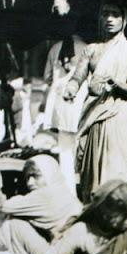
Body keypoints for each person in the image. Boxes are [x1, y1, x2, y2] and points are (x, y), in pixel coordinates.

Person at [64, 2, 127, 203]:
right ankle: (94, 210)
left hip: (119, 115)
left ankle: (116, 210)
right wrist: (71, 88)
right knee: (92, 173)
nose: (109, 19)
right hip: (95, 114)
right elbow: (78, 77)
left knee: (116, 169)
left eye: (115, 14)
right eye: (105, 14)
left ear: (124, 19)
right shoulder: (92, 50)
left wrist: (114, 83)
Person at [0, 155, 83, 254]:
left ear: (49, 175)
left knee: (11, 223)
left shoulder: (47, 194)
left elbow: (6, 206)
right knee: (25, 216)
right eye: (28, 177)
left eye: (35, 176)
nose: (30, 183)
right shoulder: (63, 190)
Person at [44, 33, 89, 194]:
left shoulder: (55, 48)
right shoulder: (87, 48)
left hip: (62, 105)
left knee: (65, 152)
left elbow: (47, 77)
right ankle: (85, 190)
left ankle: (68, 193)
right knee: (84, 150)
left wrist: (58, 84)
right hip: (81, 104)